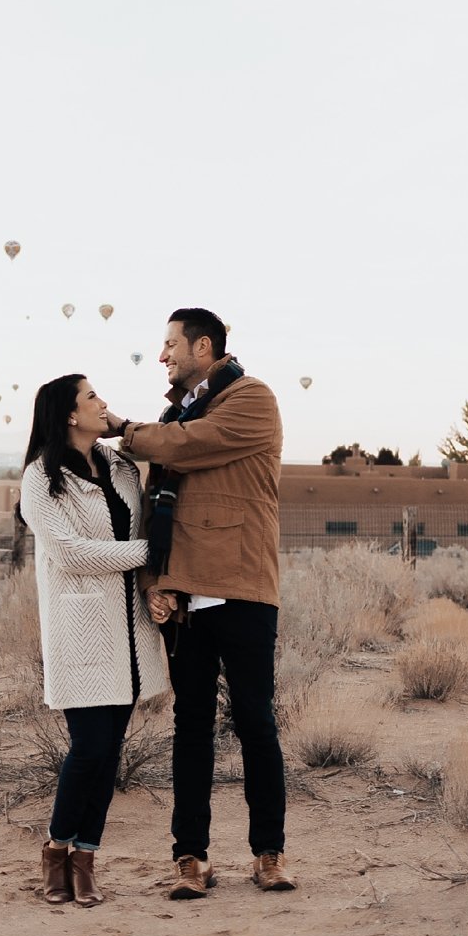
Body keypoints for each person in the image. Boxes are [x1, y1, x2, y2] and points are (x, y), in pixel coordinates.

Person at [106, 308, 293, 899]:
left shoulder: (250, 400)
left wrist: (122, 427)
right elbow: (155, 513)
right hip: (185, 598)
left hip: (242, 590)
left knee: (257, 725)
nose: (162, 356)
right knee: (191, 729)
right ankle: (191, 857)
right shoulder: (173, 419)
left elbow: (194, 445)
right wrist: (154, 582)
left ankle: (269, 853)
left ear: (203, 346)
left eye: (170, 345)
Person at [19, 373, 172, 907]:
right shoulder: (41, 478)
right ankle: (55, 851)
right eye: (92, 396)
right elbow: (69, 552)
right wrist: (146, 556)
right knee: (88, 748)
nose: (102, 402)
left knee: (110, 755)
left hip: (128, 628)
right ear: (68, 414)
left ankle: (86, 857)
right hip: (80, 629)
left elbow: (146, 519)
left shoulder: (123, 467)